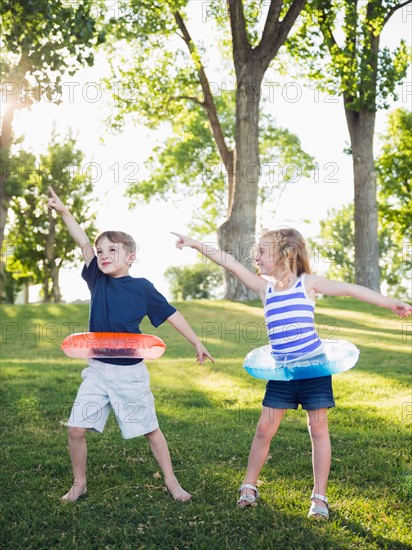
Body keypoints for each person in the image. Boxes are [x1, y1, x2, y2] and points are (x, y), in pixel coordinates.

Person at [172, 228, 411, 519]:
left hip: (313, 371)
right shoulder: (265, 289)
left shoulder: (306, 284)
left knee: (318, 428)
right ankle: (249, 484)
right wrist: (196, 244)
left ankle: (319, 496)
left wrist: (390, 303)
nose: (255, 257)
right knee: (264, 430)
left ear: (285, 254)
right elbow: (229, 263)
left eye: (261, 251)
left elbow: (349, 289)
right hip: (282, 374)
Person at [48, 187, 214, 503]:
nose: (104, 255)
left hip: (130, 374)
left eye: (112, 250)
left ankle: (172, 481)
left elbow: (171, 315)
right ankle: (79, 483)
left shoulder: (143, 289)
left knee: (151, 430)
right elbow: (83, 242)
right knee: (75, 429)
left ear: (131, 256)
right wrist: (65, 212)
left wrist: (196, 342)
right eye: (100, 251)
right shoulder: (97, 277)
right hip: (97, 370)